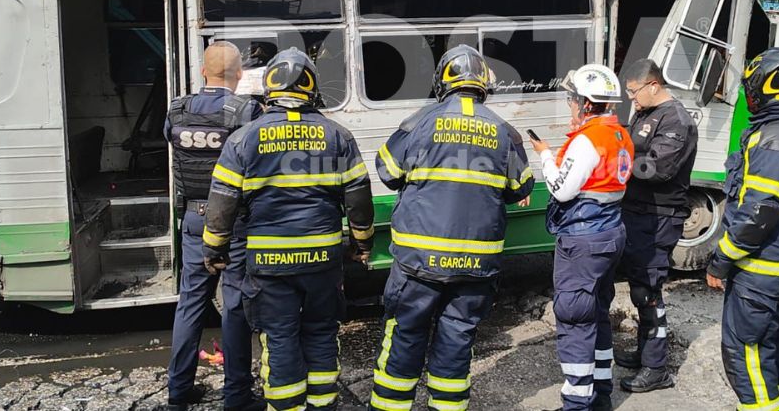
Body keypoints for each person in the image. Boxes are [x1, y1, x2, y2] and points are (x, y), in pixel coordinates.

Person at [203, 48, 376, 411]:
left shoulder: (244, 139)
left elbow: (221, 206)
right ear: (311, 90)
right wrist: (362, 244)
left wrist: (213, 251)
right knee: (321, 333)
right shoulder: (338, 136)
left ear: (269, 90)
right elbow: (359, 202)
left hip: (269, 265)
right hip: (322, 261)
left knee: (279, 338)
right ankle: (323, 404)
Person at [370, 45, 534, 411]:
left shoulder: (418, 123)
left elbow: (387, 173)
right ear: (482, 84)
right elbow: (521, 188)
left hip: (418, 263)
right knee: (457, 343)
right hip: (476, 267)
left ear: (443, 81)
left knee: (404, 338)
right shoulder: (505, 132)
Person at [705, 48, 779, 411]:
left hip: (761, 272)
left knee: (746, 354)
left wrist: (721, 260)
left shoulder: (774, 138)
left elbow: (759, 213)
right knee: (775, 345)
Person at [530, 64, 635, 411]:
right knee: (597, 313)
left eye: (574, 98)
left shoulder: (589, 140)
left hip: (583, 241)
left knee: (575, 317)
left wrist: (545, 155)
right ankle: (600, 394)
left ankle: (577, 402)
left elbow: (562, 190)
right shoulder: (620, 134)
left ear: (587, 103)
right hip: (610, 234)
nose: (570, 104)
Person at [165, 42, 263, 411]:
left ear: (203, 72)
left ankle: (178, 392)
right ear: (239, 76)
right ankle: (237, 395)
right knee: (235, 305)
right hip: (234, 221)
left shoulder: (177, 110)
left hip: (193, 217)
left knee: (190, 303)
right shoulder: (246, 111)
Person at [614, 59, 698, 394]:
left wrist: (616, 162)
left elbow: (656, 168)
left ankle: (657, 368)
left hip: (659, 216)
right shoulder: (645, 114)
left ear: (653, 85)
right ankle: (646, 351)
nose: (631, 98)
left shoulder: (676, 119)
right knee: (638, 286)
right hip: (636, 212)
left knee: (647, 291)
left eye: (634, 91)